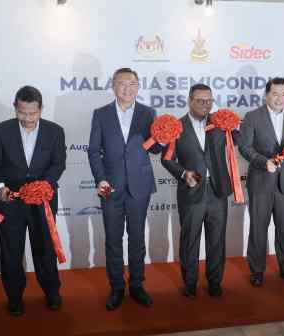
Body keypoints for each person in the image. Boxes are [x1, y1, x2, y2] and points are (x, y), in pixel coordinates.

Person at [0, 86, 66, 316]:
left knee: (45, 249)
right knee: (11, 251)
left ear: (41, 109)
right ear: (15, 108)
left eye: (32, 113)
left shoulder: (55, 131)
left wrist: (46, 184)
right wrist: (0, 188)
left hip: (42, 201)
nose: (27, 118)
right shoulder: (1, 131)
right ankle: (14, 297)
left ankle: (52, 292)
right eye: (22, 113)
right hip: (10, 202)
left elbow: (58, 163)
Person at [87, 68, 163, 310]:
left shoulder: (148, 113)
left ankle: (138, 284)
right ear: (113, 86)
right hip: (110, 187)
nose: (127, 88)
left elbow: (154, 150)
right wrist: (100, 178)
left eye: (132, 84)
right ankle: (117, 287)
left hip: (139, 186)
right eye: (122, 84)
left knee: (138, 238)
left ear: (138, 86)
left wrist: (161, 139)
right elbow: (93, 151)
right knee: (112, 239)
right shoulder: (101, 114)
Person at [161, 84, 238, 298]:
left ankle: (215, 282)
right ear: (189, 100)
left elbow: (239, 142)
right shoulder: (176, 126)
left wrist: (236, 126)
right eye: (200, 101)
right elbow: (166, 159)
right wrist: (183, 173)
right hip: (190, 192)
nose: (205, 105)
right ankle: (190, 284)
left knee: (217, 240)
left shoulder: (220, 123)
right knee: (190, 240)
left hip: (217, 191)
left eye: (209, 101)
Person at [238, 77, 284, 287]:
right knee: (259, 228)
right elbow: (245, 147)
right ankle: (257, 270)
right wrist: (263, 162)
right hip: (261, 182)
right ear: (267, 94)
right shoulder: (252, 117)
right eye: (275, 93)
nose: (280, 98)